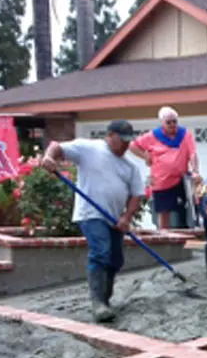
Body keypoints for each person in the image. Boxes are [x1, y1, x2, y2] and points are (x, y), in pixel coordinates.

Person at [42, 120, 144, 322]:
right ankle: (97, 303)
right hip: (91, 213)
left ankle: (105, 300)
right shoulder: (89, 148)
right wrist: (48, 157)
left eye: (128, 142)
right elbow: (56, 147)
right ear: (110, 135)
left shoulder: (130, 166)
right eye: (121, 140)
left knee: (116, 259)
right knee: (101, 251)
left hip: (115, 218)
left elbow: (136, 195)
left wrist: (126, 217)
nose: (125, 145)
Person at [129, 106, 200, 229]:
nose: (172, 125)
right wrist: (146, 157)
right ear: (162, 123)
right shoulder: (152, 136)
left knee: (187, 208)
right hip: (161, 181)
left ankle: (187, 235)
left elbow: (192, 153)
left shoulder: (185, 135)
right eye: (169, 122)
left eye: (174, 121)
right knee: (164, 212)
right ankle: (164, 238)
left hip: (180, 179)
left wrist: (195, 171)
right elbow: (133, 146)